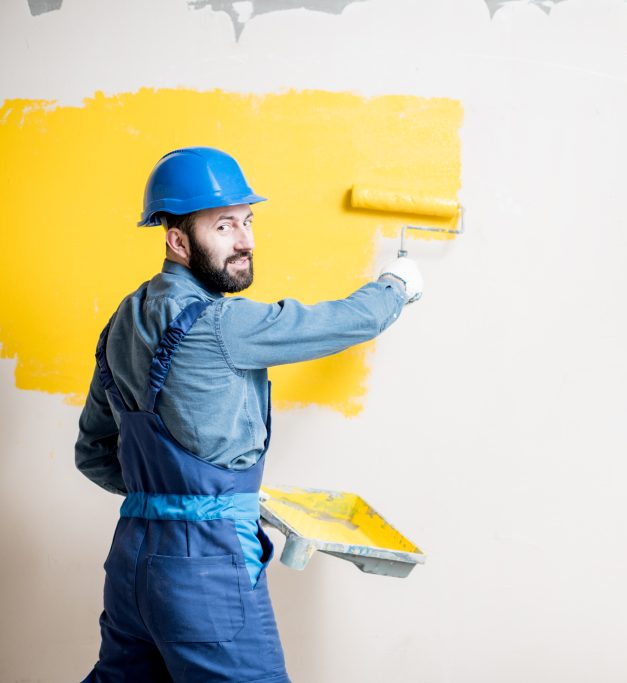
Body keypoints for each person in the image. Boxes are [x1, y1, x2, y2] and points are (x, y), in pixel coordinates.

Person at [75, 146, 422, 682]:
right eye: (224, 226)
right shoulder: (221, 323)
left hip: (132, 564)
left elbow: (92, 453)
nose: (246, 241)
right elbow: (342, 321)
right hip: (204, 569)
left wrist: (169, 500)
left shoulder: (123, 320)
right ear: (178, 241)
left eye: (248, 221)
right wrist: (396, 285)